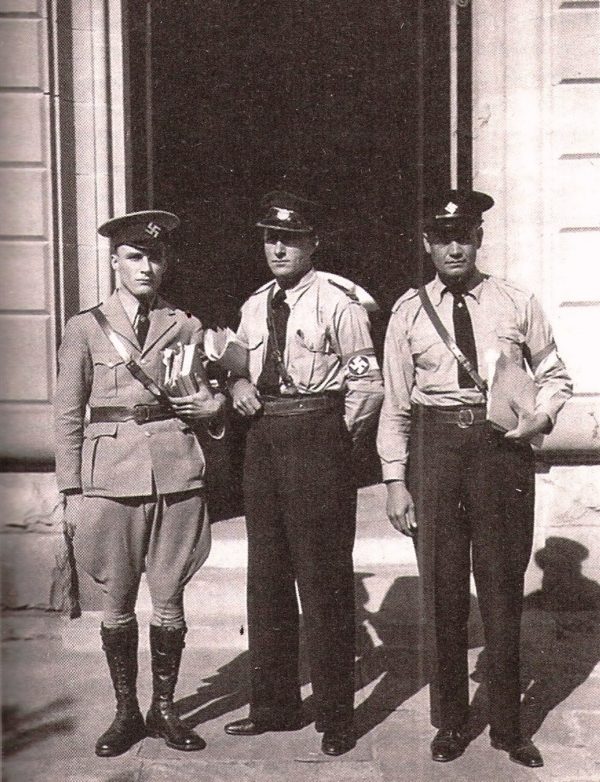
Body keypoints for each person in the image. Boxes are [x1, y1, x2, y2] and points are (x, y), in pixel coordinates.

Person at [377, 190, 572, 769]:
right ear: (427, 245)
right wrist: (394, 479)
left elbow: (556, 374)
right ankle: (451, 722)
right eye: (442, 238)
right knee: (441, 588)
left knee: (502, 587)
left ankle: (510, 727)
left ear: (480, 238)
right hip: (435, 450)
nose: (454, 247)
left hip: (500, 453)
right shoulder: (408, 311)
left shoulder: (516, 302)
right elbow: (394, 404)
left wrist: (541, 415)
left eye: (463, 235)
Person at [54, 211, 225, 756]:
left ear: (166, 261)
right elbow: (66, 415)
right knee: (117, 601)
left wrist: (212, 408)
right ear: (114, 262)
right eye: (134, 256)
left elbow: (208, 403)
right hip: (108, 482)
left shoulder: (187, 325)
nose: (146, 266)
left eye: (154, 256)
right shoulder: (84, 327)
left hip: (176, 474)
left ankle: (166, 709)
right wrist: (71, 491)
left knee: (170, 599)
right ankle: (127, 712)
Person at [224, 191, 384, 755]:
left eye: (290, 239)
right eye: (270, 237)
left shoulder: (340, 303)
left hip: (317, 435)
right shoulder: (254, 303)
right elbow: (237, 362)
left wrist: (338, 448)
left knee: (323, 582)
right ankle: (275, 705)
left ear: (313, 243)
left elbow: (366, 384)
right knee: (266, 576)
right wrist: (238, 384)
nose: (278, 248)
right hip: (263, 438)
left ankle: (338, 715)